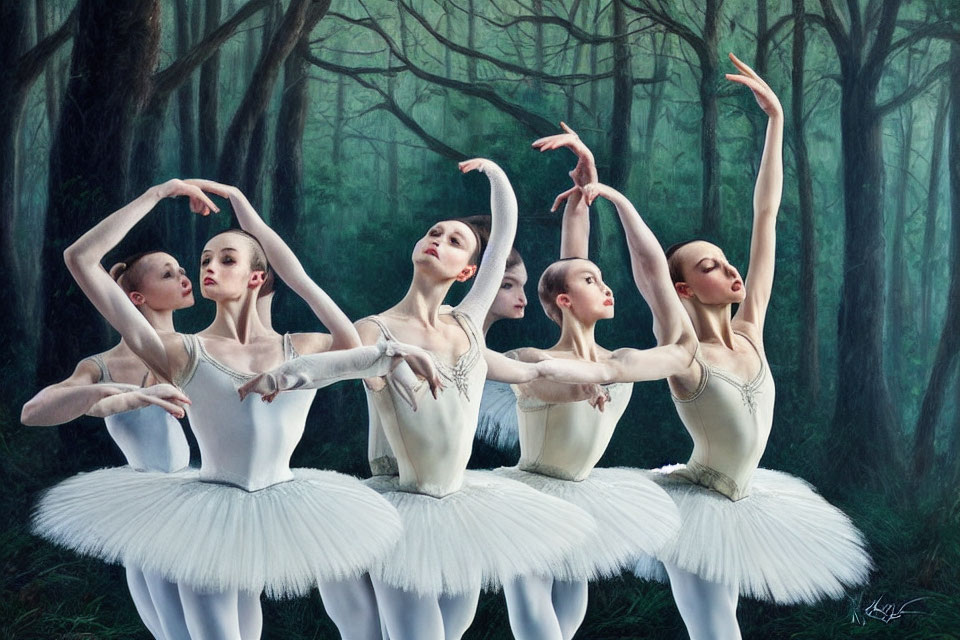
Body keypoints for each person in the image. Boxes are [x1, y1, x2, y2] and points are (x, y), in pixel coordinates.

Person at [31, 179, 440, 640]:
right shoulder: (179, 350)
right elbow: (80, 260)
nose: (207, 267)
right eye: (205, 259)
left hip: (280, 504)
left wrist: (247, 212)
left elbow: (346, 336)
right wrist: (157, 195)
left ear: (256, 277)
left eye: (226, 260)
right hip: (206, 519)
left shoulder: (303, 347)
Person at [243, 159, 616, 640]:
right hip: (400, 509)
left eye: (455, 240)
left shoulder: (466, 324)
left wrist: (496, 173)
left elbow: (505, 244)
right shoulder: (376, 329)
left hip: (459, 509)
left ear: (468, 272)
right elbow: (340, 365)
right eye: (433, 233)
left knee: (454, 628)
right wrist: (286, 376)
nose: (438, 239)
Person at [586, 54, 869, 639]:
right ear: (686, 288)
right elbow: (639, 316)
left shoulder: (750, 328)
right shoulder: (686, 356)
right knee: (715, 628)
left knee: (724, 623)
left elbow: (766, 216)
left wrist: (777, 124)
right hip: (694, 505)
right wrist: (613, 200)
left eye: (728, 261)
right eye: (712, 266)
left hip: (746, 498)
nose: (733, 270)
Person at [22, 250, 194, 640]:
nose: (184, 277)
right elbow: (33, 413)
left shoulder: (193, 350)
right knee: (168, 628)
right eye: (169, 274)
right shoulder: (100, 365)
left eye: (182, 270)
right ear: (137, 298)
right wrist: (118, 392)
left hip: (190, 498)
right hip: (142, 507)